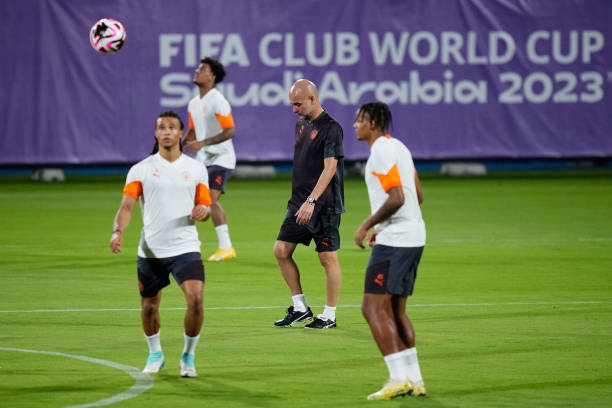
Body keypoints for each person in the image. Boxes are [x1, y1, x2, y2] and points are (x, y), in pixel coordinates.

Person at [109, 111, 211, 378]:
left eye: (172, 127)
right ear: (156, 134)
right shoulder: (140, 169)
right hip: (151, 250)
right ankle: (155, 354)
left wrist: (203, 211)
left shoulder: (196, 169)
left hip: (186, 247)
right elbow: (126, 207)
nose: (167, 131)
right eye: (162, 127)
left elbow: (205, 206)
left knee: (196, 299)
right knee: (149, 307)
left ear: (180, 133)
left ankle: (188, 357)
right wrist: (117, 231)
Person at [353, 102, 427, 400]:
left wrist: (367, 224)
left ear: (372, 124)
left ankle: (397, 378)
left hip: (396, 240)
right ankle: (415, 380)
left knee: (371, 308)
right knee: (396, 311)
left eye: (359, 120)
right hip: (414, 236)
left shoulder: (380, 152)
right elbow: (417, 195)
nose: (355, 125)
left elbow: (397, 197)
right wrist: (382, 227)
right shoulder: (400, 147)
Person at [273, 79, 344, 329]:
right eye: (292, 104)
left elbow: (330, 168)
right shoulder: (301, 125)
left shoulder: (332, 128)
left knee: (327, 258)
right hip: (298, 204)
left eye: (298, 104)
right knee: (281, 251)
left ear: (313, 99)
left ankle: (329, 315)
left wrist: (311, 201)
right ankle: (301, 308)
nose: (294, 109)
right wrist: (301, 202)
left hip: (323, 206)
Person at [183, 56, 237, 262]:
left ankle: (226, 248)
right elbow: (192, 132)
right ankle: (186, 244)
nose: (197, 71)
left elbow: (230, 131)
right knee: (190, 200)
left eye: (203, 69)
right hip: (202, 160)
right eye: (198, 68)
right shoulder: (193, 103)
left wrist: (203, 143)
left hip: (221, 158)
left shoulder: (218, 100)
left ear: (212, 77)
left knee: (210, 200)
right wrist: (173, 150)